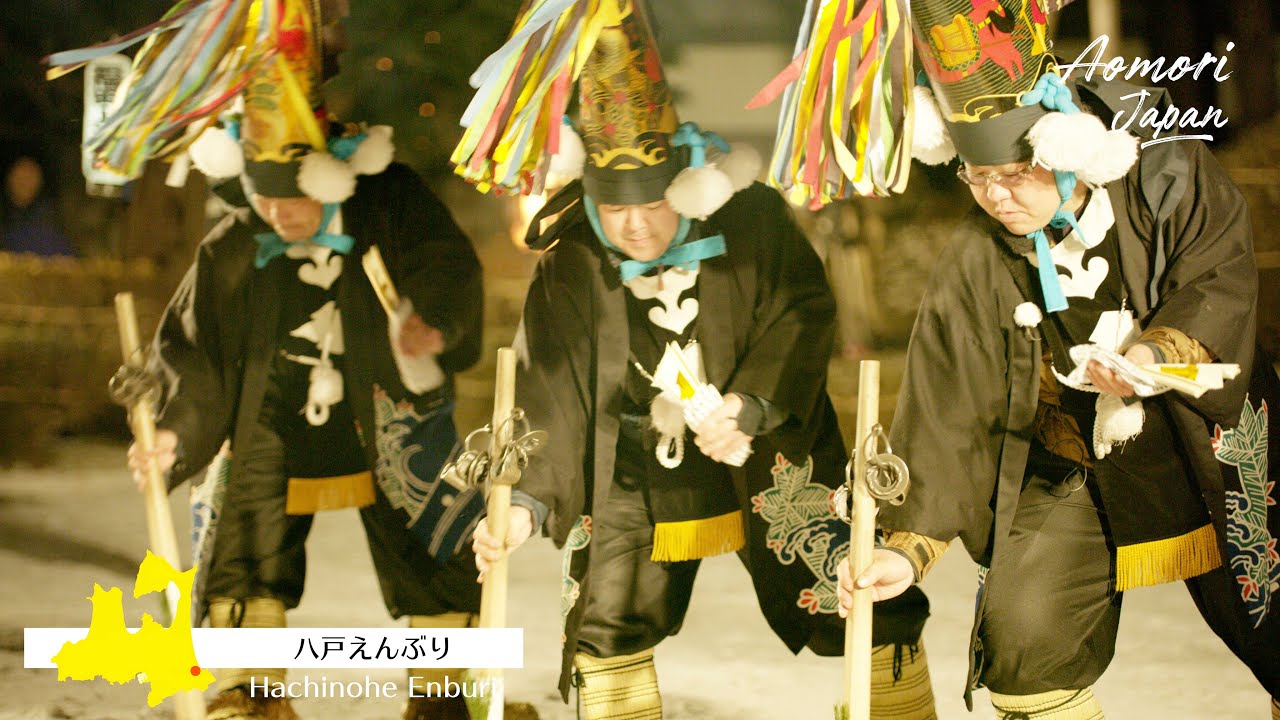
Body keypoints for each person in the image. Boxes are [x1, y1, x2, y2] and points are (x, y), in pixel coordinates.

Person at [460, 3, 937, 719]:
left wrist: (750, 404)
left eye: (653, 203)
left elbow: (800, 312)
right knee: (607, 614)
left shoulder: (751, 220)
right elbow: (553, 393)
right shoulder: (575, 263)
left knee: (853, 586)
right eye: (615, 209)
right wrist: (525, 502)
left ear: (682, 178)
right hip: (634, 465)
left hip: (765, 449)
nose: (636, 224)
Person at [833, 1, 1280, 718]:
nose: (995, 198)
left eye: (1012, 175)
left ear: (1062, 150)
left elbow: (1217, 279)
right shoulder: (975, 262)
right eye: (976, 179)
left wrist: (1156, 352)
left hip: (1210, 450)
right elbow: (949, 411)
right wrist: (904, 551)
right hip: (1073, 462)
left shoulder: (1169, 181)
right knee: (1022, 640)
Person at [74, 2, 508, 718]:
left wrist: (430, 325)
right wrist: (176, 431)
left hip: (382, 402)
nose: (281, 217)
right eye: (266, 202)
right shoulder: (234, 243)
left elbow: (446, 267)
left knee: (430, 520)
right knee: (242, 518)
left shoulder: (390, 199)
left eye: (296, 202)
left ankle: (442, 691)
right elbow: (197, 353)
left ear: (329, 172)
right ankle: (254, 689)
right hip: (270, 412)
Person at [1, 156, 74, 257]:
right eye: (20, 176)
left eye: (30, 177)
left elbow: (64, 258)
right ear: (9, 178)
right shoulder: (6, 217)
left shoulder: (49, 219)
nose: (24, 183)